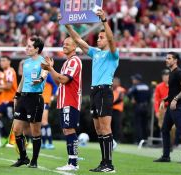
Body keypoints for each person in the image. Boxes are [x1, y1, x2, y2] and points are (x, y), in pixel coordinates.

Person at [65, 9, 119, 172]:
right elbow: (77, 40)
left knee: (105, 128)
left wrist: (104, 20)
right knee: (98, 129)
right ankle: (104, 162)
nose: (99, 39)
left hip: (104, 91)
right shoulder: (95, 53)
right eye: (98, 37)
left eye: (101, 37)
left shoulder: (112, 53)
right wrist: (67, 25)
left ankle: (109, 164)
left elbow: (110, 37)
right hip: (95, 92)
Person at [42, 37, 82, 171]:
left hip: (70, 101)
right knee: (67, 130)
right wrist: (50, 69)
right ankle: (72, 161)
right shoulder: (67, 62)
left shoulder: (74, 61)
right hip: (64, 100)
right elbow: (58, 82)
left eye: (67, 44)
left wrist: (50, 68)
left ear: (75, 46)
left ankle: (73, 163)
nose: (64, 46)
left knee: (70, 129)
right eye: (63, 43)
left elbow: (63, 79)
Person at [11, 36, 47, 168]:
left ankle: (34, 161)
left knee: (35, 131)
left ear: (37, 49)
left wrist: (40, 80)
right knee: (16, 129)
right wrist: (16, 95)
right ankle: (23, 157)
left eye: (29, 46)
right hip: (23, 98)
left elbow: (45, 73)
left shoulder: (43, 61)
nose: (26, 48)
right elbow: (23, 80)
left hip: (35, 98)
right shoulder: (25, 62)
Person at [154, 52, 181, 163]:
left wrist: (175, 99)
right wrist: (165, 99)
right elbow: (173, 91)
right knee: (165, 129)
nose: (166, 60)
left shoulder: (178, 72)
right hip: (172, 106)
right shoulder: (172, 73)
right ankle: (166, 156)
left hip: (178, 106)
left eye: (169, 58)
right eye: (166, 58)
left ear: (175, 60)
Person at [0, 56, 18, 145]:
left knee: (12, 120)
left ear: (9, 62)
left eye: (4, 60)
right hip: (5, 100)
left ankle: (14, 140)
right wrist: (1, 80)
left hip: (10, 100)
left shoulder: (9, 71)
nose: (2, 62)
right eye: (1, 61)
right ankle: (6, 135)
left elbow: (9, 86)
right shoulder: (6, 72)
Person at [127, 74, 151, 144]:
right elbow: (149, 97)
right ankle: (145, 140)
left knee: (138, 124)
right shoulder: (146, 86)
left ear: (137, 80)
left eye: (134, 79)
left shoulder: (135, 87)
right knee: (145, 124)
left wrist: (132, 99)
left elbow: (128, 94)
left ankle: (139, 141)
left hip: (138, 107)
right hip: (145, 107)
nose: (132, 80)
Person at [41, 74, 57, 149]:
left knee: (44, 122)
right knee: (41, 122)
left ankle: (50, 143)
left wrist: (52, 96)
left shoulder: (47, 75)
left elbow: (55, 86)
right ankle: (44, 143)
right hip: (40, 101)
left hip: (45, 100)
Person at [112, 77, 125, 144]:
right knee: (111, 124)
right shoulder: (111, 89)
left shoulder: (121, 89)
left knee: (118, 124)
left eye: (116, 82)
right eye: (113, 81)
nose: (114, 83)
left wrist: (112, 103)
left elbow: (121, 98)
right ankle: (112, 139)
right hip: (111, 109)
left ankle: (118, 139)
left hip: (118, 109)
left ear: (119, 83)